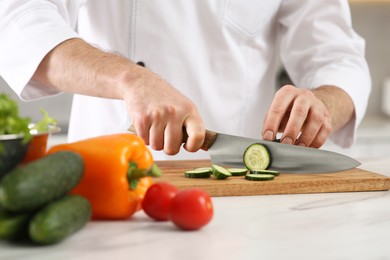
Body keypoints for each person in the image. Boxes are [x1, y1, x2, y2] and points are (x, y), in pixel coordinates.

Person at [0, 1, 371, 161]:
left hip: (237, 191)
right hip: (102, 184)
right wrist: (130, 78)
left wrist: (323, 103)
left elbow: (337, 56)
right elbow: (18, 21)